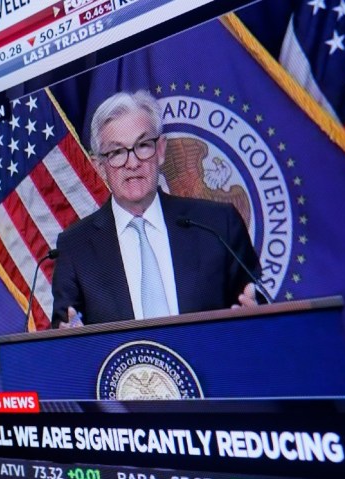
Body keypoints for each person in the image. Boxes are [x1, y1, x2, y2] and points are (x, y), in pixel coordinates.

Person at [51, 90, 260, 328]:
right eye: (117, 152)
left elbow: (257, 302)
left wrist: (259, 317)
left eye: (142, 145)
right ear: (99, 166)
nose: (132, 163)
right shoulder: (75, 248)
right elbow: (63, 334)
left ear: (160, 150)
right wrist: (69, 343)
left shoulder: (218, 225)